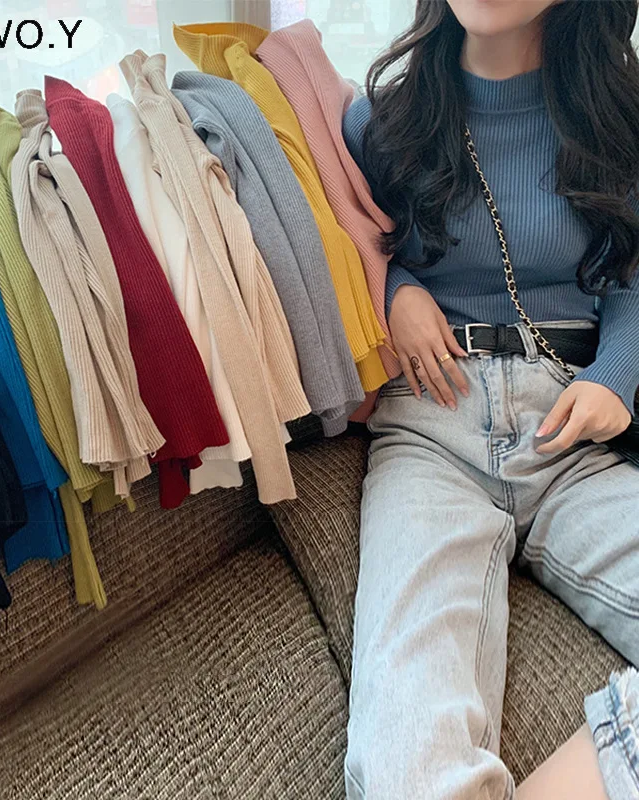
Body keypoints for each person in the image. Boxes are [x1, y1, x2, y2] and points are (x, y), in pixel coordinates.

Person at [342, 1, 639, 797]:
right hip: (431, 431)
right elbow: (342, 244)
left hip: (573, 435)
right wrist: (395, 290)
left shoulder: (618, 114)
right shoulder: (378, 121)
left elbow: (632, 275)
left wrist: (615, 377)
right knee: (407, 750)